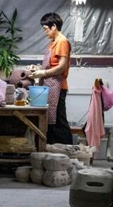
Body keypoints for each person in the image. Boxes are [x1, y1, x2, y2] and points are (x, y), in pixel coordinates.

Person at [30, 12, 73, 145]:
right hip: (49, 85)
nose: (45, 33)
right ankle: (52, 151)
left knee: (59, 122)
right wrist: (37, 68)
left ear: (54, 26)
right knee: (50, 122)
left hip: (58, 86)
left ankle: (68, 151)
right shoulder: (53, 43)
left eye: (46, 29)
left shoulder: (62, 42)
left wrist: (42, 73)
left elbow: (61, 67)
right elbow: (51, 65)